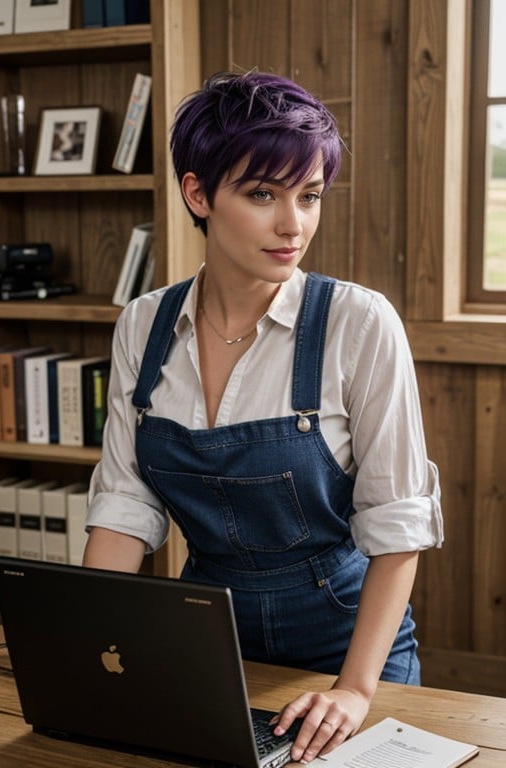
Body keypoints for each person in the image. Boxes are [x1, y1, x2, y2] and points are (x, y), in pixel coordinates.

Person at [83, 70, 443, 762]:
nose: (294, 224)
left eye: (309, 196)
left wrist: (356, 691)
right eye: (262, 194)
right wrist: (94, 646)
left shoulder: (358, 322)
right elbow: (125, 504)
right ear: (198, 194)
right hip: (205, 640)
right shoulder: (143, 325)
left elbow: (398, 525)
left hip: (349, 641)